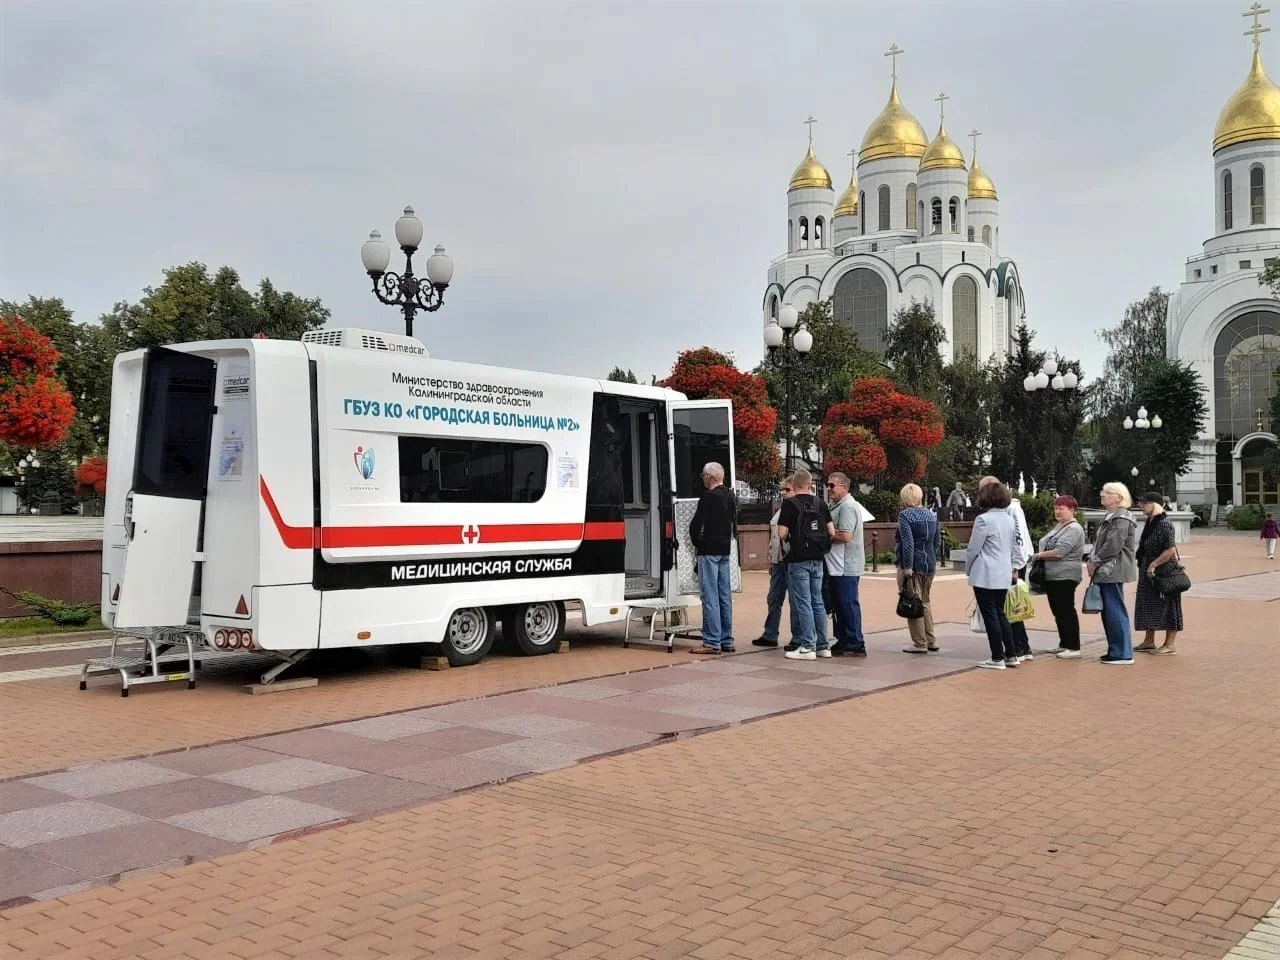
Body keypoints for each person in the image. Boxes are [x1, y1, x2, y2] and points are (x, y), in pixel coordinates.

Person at [777, 469, 836, 661]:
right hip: (818, 558)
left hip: (798, 559)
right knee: (817, 601)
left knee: (803, 603)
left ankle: (807, 646)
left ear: (793, 485)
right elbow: (831, 531)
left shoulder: (789, 504)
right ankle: (823, 645)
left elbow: (782, 533)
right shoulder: (821, 503)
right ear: (810, 484)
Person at [980, 476, 1035, 661]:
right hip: (1011, 563)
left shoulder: (1010, 509)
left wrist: (1015, 566)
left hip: (1011, 565)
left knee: (1009, 607)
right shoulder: (1008, 509)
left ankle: (1019, 647)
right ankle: (1022, 646)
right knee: (1010, 606)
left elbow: (1018, 538)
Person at [968, 481, 1021, 670]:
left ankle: (997, 656)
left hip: (985, 572)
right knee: (1000, 613)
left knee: (990, 615)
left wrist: (968, 569)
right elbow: (1015, 546)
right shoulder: (1009, 519)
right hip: (1003, 572)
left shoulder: (983, 520)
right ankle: (1011, 654)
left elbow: (973, 548)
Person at [688, 462, 735, 655]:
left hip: (708, 550)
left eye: (703, 475)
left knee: (709, 596)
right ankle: (727, 639)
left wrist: (698, 543)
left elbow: (695, 525)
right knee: (724, 595)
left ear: (710, 477)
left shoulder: (708, 497)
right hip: (725, 549)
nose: (703, 479)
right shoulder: (730, 495)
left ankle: (711, 641)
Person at [1029, 495, 1086, 659]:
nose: (1058, 511)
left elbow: (1060, 552)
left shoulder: (1074, 529)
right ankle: (1064, 643)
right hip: (1053, 576)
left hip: (1065, 575)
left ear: (1072, 510)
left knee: (1066, 610)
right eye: (1056, 508)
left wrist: (1038, 556)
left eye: (1062, 508)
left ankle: (1073, 647)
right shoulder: (1060, 526)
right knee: (1058, 611)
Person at [1088, 482, 1138, 664]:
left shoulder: (1121, 518)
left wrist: (1095, 560)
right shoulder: (1114, 516)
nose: (1102, 495)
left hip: (1113, 569)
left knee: (1114, 609)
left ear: (1119, 497)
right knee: (1110, 609)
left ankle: (1122, 652)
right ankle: (1116, 650)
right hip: (1109, 569)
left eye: (1107, 493)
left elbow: (1113, 545)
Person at [1133, 492, 1183, 656]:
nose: (1141, 506)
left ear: (1155, 504)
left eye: (1144, 503)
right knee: (1147, 603)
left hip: (1163, 570)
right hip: (1148, 568)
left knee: (1169, 605)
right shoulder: (1151, 521)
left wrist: (1154, 564)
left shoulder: (1164, 524)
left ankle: (1169, 644)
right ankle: (1149, 640)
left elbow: (1170, 549)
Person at [752, 480, 799, 648]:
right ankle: (770, 633)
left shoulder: (796, 509)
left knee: (795, 600)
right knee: (774, 598)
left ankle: (797, 637)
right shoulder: (781, 511)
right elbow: (774, 540)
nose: (784, 493)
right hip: (779, 561)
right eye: (783, 490)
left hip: (791, 560)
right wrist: (772, 560)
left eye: (788, 489)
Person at [825, 472, 867, 657]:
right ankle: (843, 639)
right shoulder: (837, 505)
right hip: (837, 565)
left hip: (845, 565)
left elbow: (846, 536)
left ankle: (855, 641)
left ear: (843, 486)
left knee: (847, 602)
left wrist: (825, 535)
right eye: (828, 485)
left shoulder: (848, 506)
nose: (829, 489)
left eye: (832, 485)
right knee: (839, 604)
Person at [896, 483, 941, 654]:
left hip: (914, 564)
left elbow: (908, 543)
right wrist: (932, 557)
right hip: (929, 562)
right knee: (925, 601)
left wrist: (907, 566)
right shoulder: (931, 515)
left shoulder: (905, 515)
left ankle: (919, 642)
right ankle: (931, 639)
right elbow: (936, 541)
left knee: (911, 600)